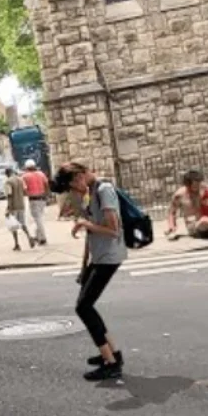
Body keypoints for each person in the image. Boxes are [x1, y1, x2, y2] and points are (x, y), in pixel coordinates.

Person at [55, 161, 126, 381]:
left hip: (110, 256)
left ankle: (111, 363)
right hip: (100, 256)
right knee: (86, 306)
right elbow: (94, 225)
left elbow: (113, 230)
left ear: (79, 176)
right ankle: (112, 353)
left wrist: (86, 225)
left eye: (73, 186)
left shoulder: (104, 190)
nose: (75, 191)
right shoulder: (93, 190)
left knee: (83, 307)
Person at [4, 166, 35, 251]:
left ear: (7, 174)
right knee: (23, 223)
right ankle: (29, 237)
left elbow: (9, 195)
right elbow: (25, 191)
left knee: (13, 226)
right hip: (21, 205)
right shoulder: (20, 180)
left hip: (13, 206)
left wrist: (8, 208)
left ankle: (17, 244)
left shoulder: (8, 182)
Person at [20, 159, 50, 245]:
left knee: (38, 219)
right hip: (42, 199)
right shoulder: (41, 174)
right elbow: (46, 185)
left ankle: (43, 238)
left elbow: (24, 190)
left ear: (27, 168)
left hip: (33, 200)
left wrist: (27, 194)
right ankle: (38, 236)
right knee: (39, 218)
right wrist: (47, 195)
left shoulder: (25, 176)